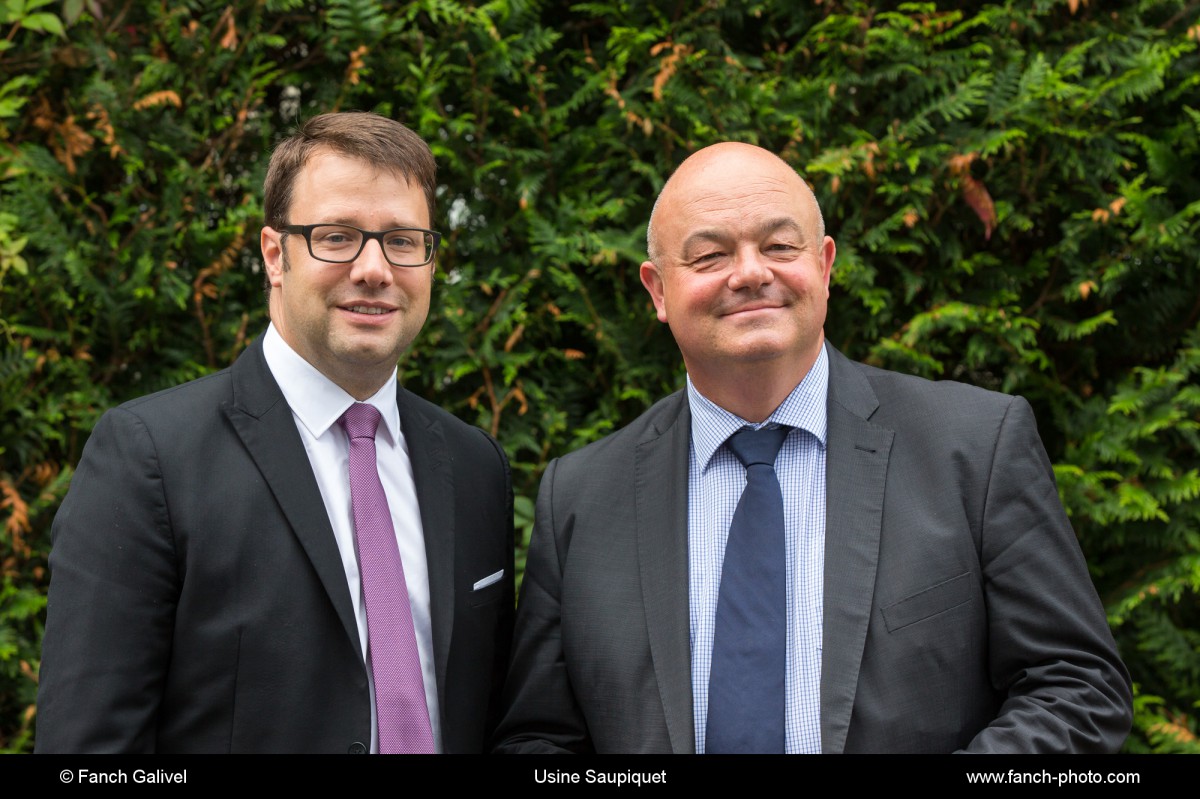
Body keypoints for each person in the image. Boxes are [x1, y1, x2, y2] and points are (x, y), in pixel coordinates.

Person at [493, 142, 1132, 753]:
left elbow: (1077, 687)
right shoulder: (579, 497)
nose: (750, 273)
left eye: (778, 245)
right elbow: (538, 737)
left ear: (824, 266)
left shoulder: (974, 448)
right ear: (658, 291)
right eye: (709, 255)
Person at [36, 112, 514, 754]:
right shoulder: (149, 457)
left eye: (402, 240)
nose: (374, 269)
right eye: (337, 236)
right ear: (274, 255)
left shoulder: (473, 465)